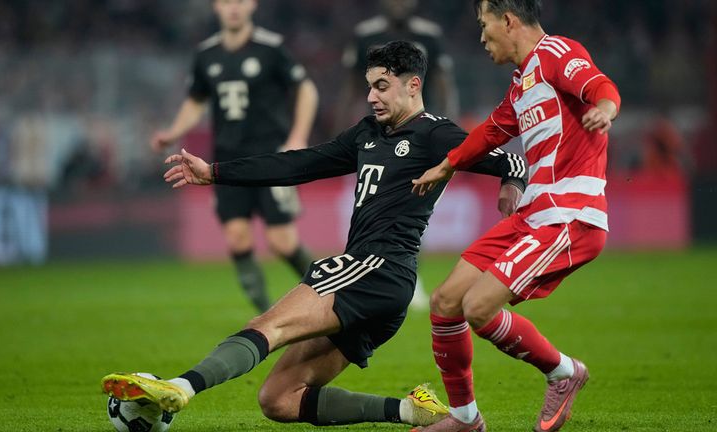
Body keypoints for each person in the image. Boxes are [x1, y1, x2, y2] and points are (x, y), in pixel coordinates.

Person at [103, 41, 526, 428]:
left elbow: (510, 161)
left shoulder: (437, 133)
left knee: (269, 326)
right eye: (369, 86)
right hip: (379, 283)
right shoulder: (367, 134)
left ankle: (180, 387)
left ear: (413, 85)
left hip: (376, 266)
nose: (371, 96)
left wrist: (512, 185)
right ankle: (411, 410)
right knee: (278, 400)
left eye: (381, 86)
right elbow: (299, 164)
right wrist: (215, 172)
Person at [410, 1, 621, 431]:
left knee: (478, 306)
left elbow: (602, 86)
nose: (481, 37)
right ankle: (465, 419)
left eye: (483, 25)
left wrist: (606, 110)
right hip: (534, 214)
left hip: (570, 215)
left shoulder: (557, 53)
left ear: (508, 20)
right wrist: (448, 164)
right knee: (446, 301)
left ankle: (564, 372)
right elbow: (491, 131)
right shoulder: (522, 81)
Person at [150, 0, 319, 312]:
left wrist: (298, 136)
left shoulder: (271, 48)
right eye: (227, 2)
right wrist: (173, 132)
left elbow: (306, 89)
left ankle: (334, 294)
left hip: (271, 160)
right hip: (226, 162)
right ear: (216, 7)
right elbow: (195, 101)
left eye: (240, 1)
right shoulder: (206, 54)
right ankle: (268, 317)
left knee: (282, 242)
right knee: (237, 240)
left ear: (252, 5)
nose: (234, 8)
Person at [336, 0, 461, 311]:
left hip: (420, 137)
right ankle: (374, 272)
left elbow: (445, 85)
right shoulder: (365, 35)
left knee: (411, 207)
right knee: (375, 205)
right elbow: (351, 87)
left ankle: (406, 275)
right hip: (378, 136)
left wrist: (447, 131)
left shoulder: (429, 35)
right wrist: (341, 130)